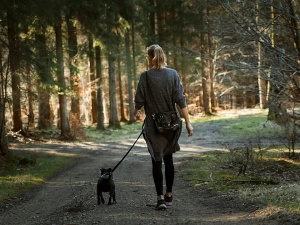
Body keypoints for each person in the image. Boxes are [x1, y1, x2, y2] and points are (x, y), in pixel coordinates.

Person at [134, 44, 193, 210]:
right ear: (162, 56)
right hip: (172, 124)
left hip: (154, 125)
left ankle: (160, 199)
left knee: (156, 160)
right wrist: (188, 122)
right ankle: (169, 195)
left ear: (149, 57)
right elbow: (181, 100)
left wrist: (137, 113)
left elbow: (139, 101)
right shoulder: (173, 74)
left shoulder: (145, 76)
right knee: (169, 159)